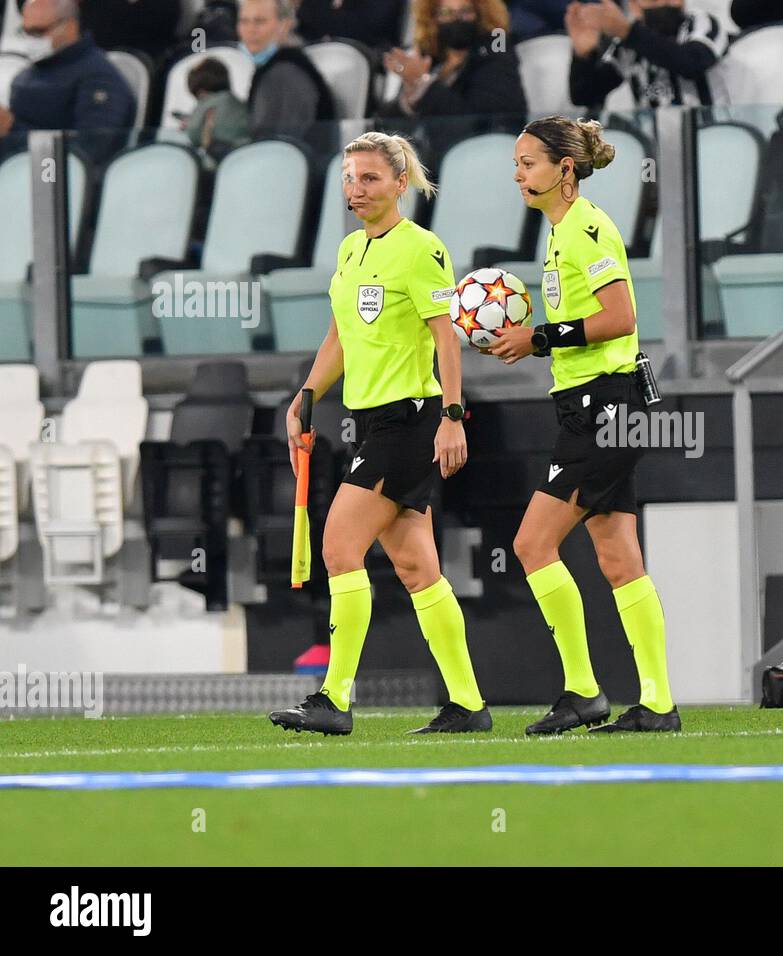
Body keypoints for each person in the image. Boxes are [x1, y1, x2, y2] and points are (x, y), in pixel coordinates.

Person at [269, 131, 490, 737]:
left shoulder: (422, 250)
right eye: (349, 178)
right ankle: (468, 704)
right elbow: (340, 334)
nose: (356, 189)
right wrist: (307, 395)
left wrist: (452, 415)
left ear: (399, 184)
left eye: (369, 178)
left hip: (411, 419)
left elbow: (447, 335)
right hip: (370, 422)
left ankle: (335, 697)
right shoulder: (349, 252)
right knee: (419, 570)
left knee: (339, 546)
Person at [487, 115, 679, 735]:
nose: (519, 174)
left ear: (565, 170)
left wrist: (538, 337)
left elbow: (620, 316)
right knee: (619, 557)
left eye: (530, 164)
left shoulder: (587, 228)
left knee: (530, 544)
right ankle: (656, 704)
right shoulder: (561, 230)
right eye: (517, 164)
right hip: (591, 405)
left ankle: (584, 691)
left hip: (606, 407)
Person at [1, 0, 135, 161]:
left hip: (52, 177)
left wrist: (13, 129)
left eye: (38, 32)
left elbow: (89, 150)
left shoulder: (99, 79)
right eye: (25, 32)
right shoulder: (32, 71)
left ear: (70, 27)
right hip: (18, 168)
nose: (31, 40)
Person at [567, 0, 729, 109]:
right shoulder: (629, 40)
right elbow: (585, 95)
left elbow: (692, 62)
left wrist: (629, 33)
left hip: (709, 138)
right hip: (654, 148)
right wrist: (583, 56)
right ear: (634, 5)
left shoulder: (702, 23)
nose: (665, 2)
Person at [382, 0, 525, 118]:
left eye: (466, 11)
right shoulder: (430, 59)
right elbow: (389, 123)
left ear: (481, 14)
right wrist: (410, 95)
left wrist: (422, 83)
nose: (457, 19)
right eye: (446, 13)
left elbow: (479, 120)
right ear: (432, 18)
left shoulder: (496, 51)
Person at [239, 0, 336, 145]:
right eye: (244, 21)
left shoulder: (285, 72)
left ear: (284, 26)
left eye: (260, 21)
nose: (250, 29)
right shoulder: (272, 68)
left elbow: (280, 144)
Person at [183, 57, 250, 162]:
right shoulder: (237, 103)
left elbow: (193, 134)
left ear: (201, 90)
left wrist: (186, 126)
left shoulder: (209, 103)